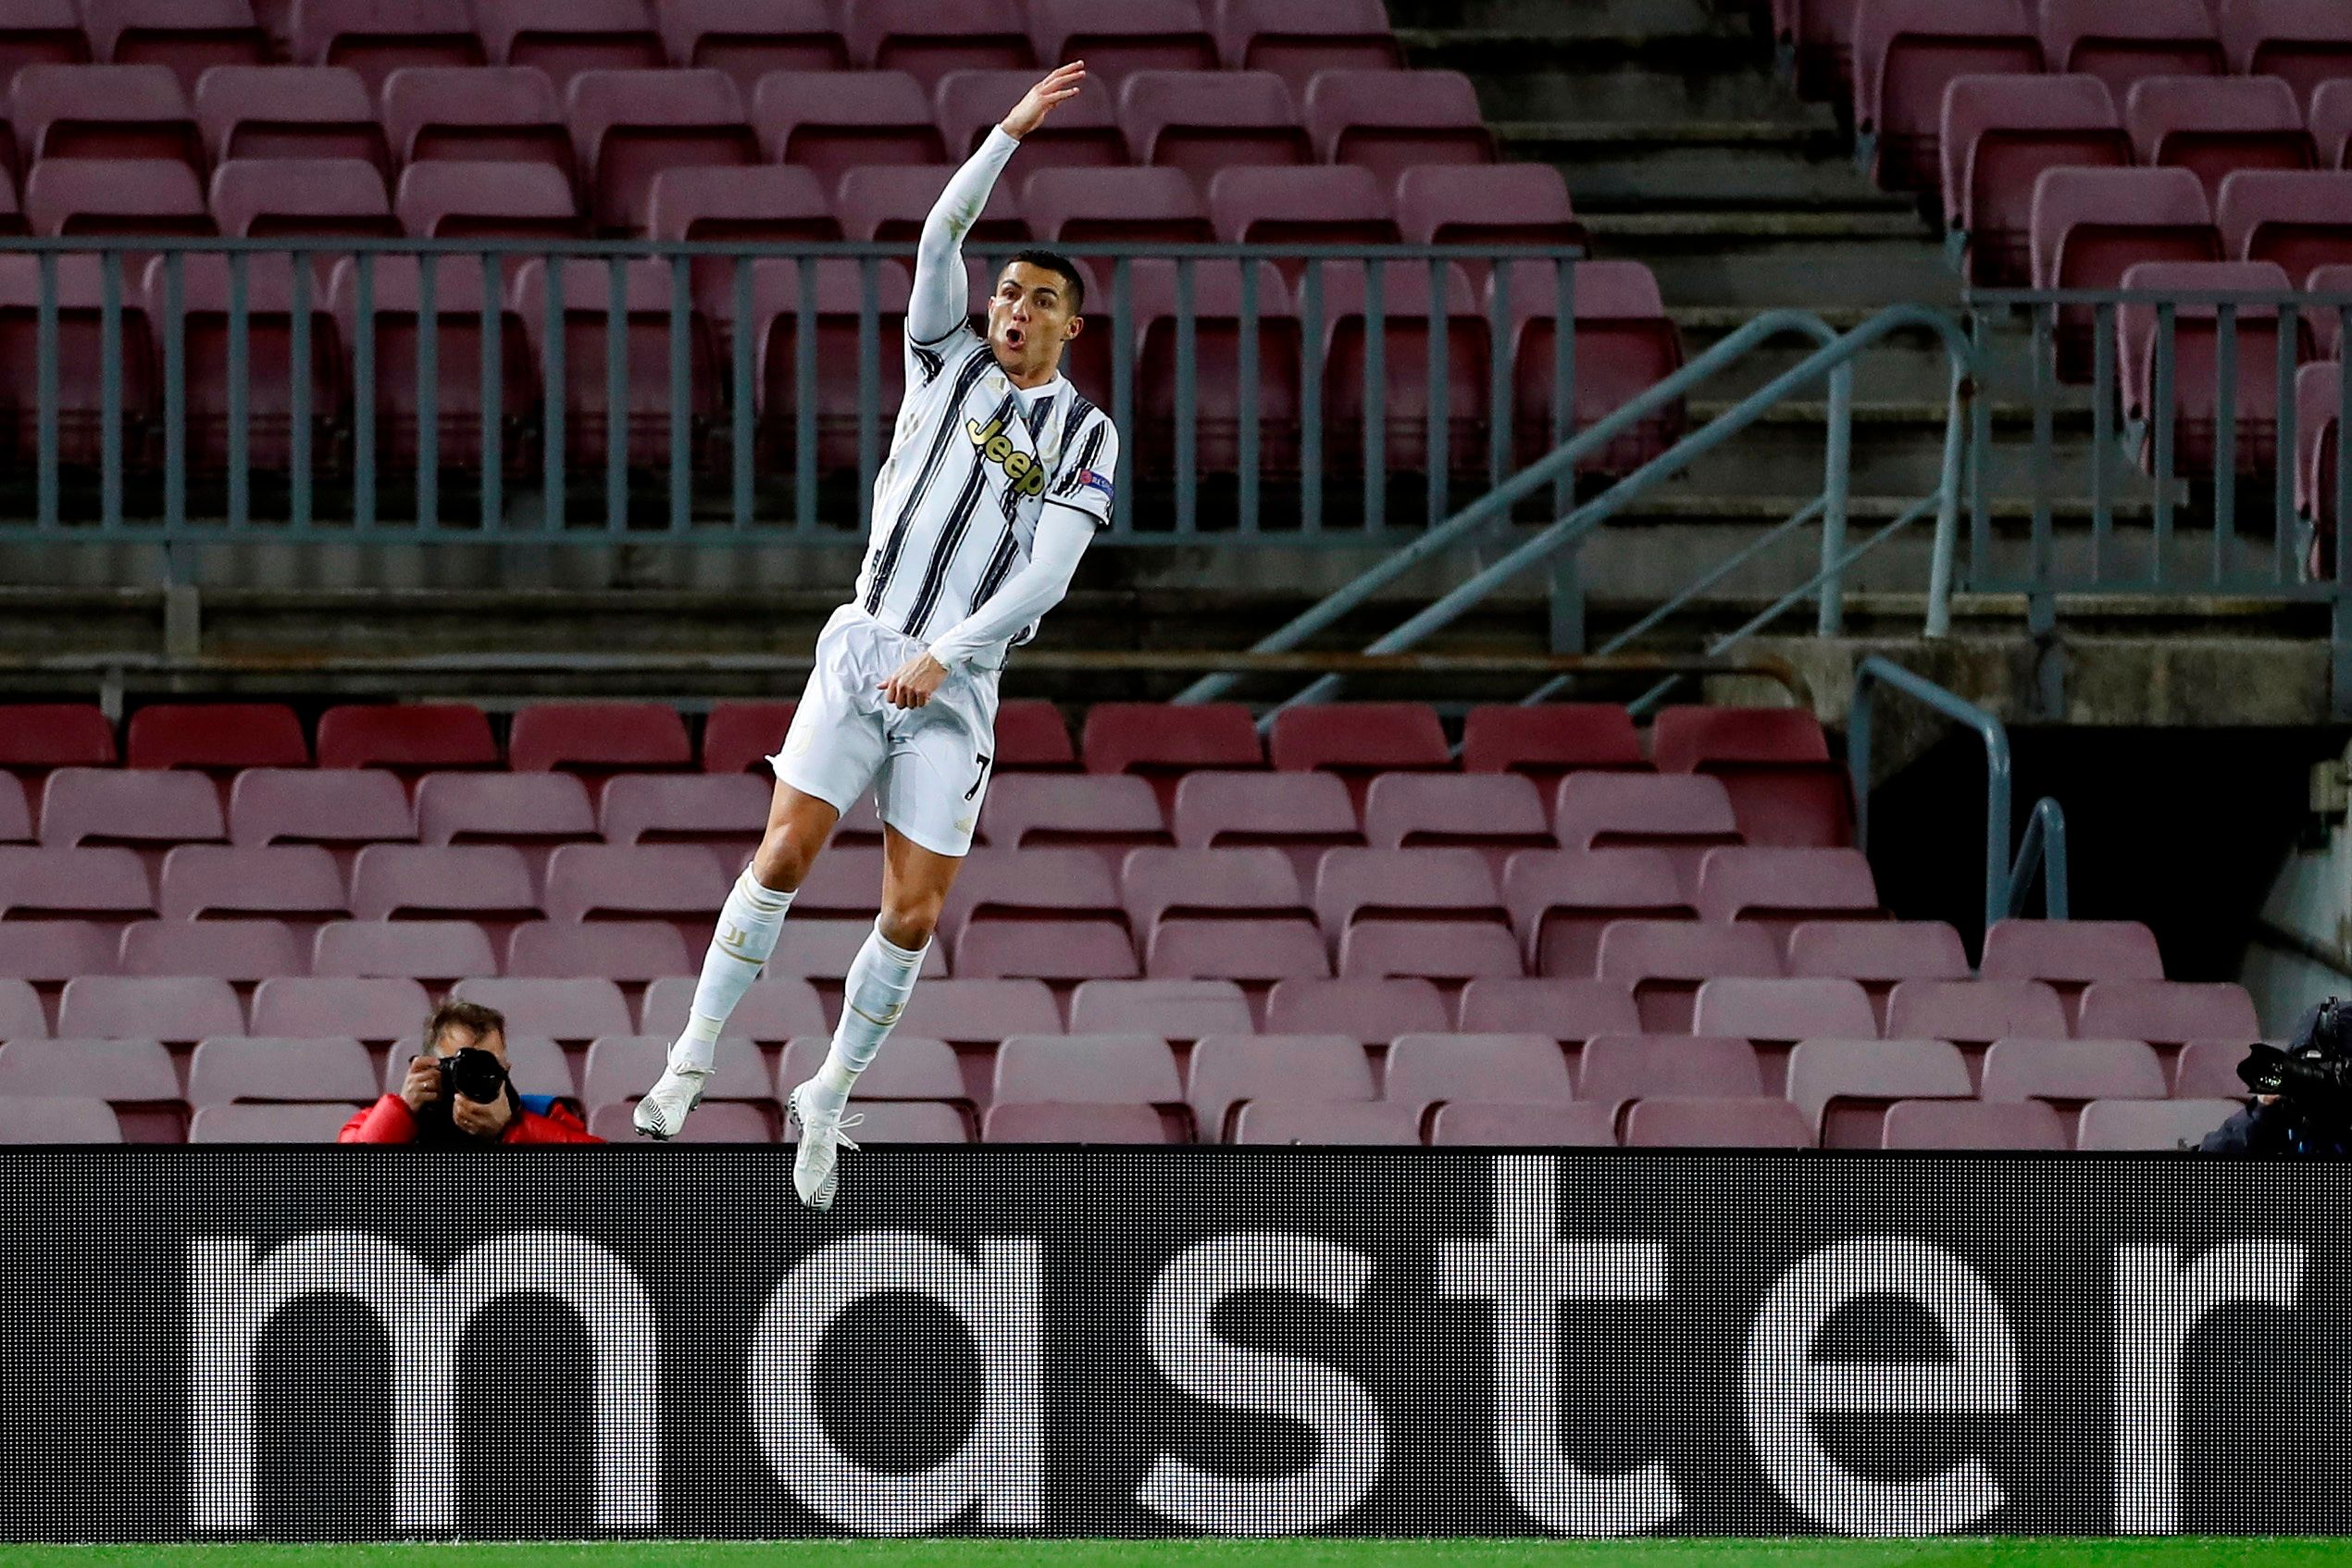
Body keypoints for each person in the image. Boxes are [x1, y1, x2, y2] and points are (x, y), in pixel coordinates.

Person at [633, 62, 1117, 1209]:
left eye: (1038, 300)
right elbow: (941, 230)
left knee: (912, 911)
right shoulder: (940, 357)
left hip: (955, 683)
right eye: (1006, 291)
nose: (1012, 309)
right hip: (864, 651)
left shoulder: (1084, 431)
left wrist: (944, 656)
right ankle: (687, 1061)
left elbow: (1047, 573)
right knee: (785, 854)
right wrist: (1007, 130)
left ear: (1070, 324)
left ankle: (828, 1094)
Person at [340, 999, 601, 1145]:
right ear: (429, 1065)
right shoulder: (385, 1120)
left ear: (505, 1067)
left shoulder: (543, 1114)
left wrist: (511, 1130)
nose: (471, 1074)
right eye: (459, 1064)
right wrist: (401, 1113)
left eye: (485, 1064)